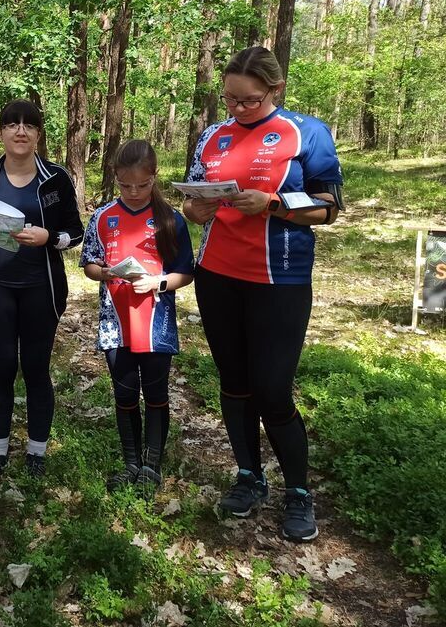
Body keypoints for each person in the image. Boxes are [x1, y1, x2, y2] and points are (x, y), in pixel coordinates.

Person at [183, 46, 343, 542]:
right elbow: (192, 202)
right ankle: (250, 477)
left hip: (280, 279)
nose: (236, 109)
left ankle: (299, 492)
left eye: (248, 101)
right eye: (229, 99)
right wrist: (197, 211)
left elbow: (330, 207)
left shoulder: (307, 132)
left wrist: (273, 204)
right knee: (234, 381)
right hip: (217, 274)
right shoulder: (213, 135)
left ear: (275, 91)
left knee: (272, 387)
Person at [0, 99, 84, 484]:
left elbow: (76, 232)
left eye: (28, 125)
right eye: (12, 125)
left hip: (41, 290)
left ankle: (36, 453)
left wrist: (50, 237)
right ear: (0, 132)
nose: (20, 131)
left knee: (35, 369)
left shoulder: (56, 178)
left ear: (38, 133)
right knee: (0, 369)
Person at [80, 140, 194, 494]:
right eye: (125, 185)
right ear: (115, 177)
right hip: (116, 324)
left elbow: (185, 273)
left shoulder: (171, 219)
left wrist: (158, 282)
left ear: (154, 178)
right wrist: (107, 273)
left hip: (156, 324)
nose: (133, 192)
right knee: (125, 393)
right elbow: (89, 264)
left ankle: (151, 466)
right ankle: (131, 463)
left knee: (156, 393)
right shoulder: (102, 217)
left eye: (142, 185)